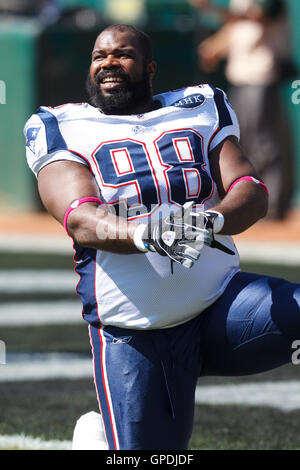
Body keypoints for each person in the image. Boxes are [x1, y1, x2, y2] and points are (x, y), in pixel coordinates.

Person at [24, 24, 300, 450]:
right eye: (100, 56)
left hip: (221, 308)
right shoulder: (60, 124)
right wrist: (145, 234)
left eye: (123, 54)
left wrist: (211, 222)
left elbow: (251, 189)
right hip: (138, 331)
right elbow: (79, 217)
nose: (109, 63)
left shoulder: (201, 105)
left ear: (150, 67)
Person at [189, 0, 296, 220]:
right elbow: (235, 28)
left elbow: (257, 16)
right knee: (244, 141)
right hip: (240, 76)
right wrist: (215, 47)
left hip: (263, 75)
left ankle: (274, 205)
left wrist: (210, 8)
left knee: (265, 142)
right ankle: (254, 200)